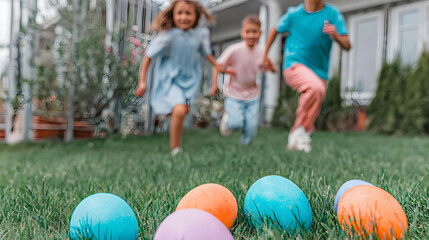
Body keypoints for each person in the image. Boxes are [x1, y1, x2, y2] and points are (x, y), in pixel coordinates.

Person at [136, 0, 233, 156]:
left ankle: (172, 116)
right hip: (170, 79)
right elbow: (148, 57)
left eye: (188, 13)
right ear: (173, 15)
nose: (183, 17)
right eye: (179, 13)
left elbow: (207, 54)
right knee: (180, 110)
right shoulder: (167, 35)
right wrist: (142, 82)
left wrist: (218, 66)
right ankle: (176, 149)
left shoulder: (200, 35)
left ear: (196, 16)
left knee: (183, 110)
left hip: (190, 80)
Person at [263, 0, 351, 152]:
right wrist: (265, 56)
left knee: (318, 93)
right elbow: (274, 30)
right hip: (294, 64)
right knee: (314, 88)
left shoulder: (332, 14)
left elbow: (347, 45)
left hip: (319, 71)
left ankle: (300, 134)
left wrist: (336, 36)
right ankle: (297, 131)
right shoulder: (294, 14)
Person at [210, 15, 276, 145]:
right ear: (242, 32)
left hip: (253, 95)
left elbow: (271, 69)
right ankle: (226, 120)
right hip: (234, 94)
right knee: (235, 123)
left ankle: (245, 147)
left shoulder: (262, 52)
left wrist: (270, 66)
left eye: (254, 32)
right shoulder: (234, 50)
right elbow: (217, 66)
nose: (251, 35)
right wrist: (214, 85)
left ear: (260, 33)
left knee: (251, 127)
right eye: (248, 32)